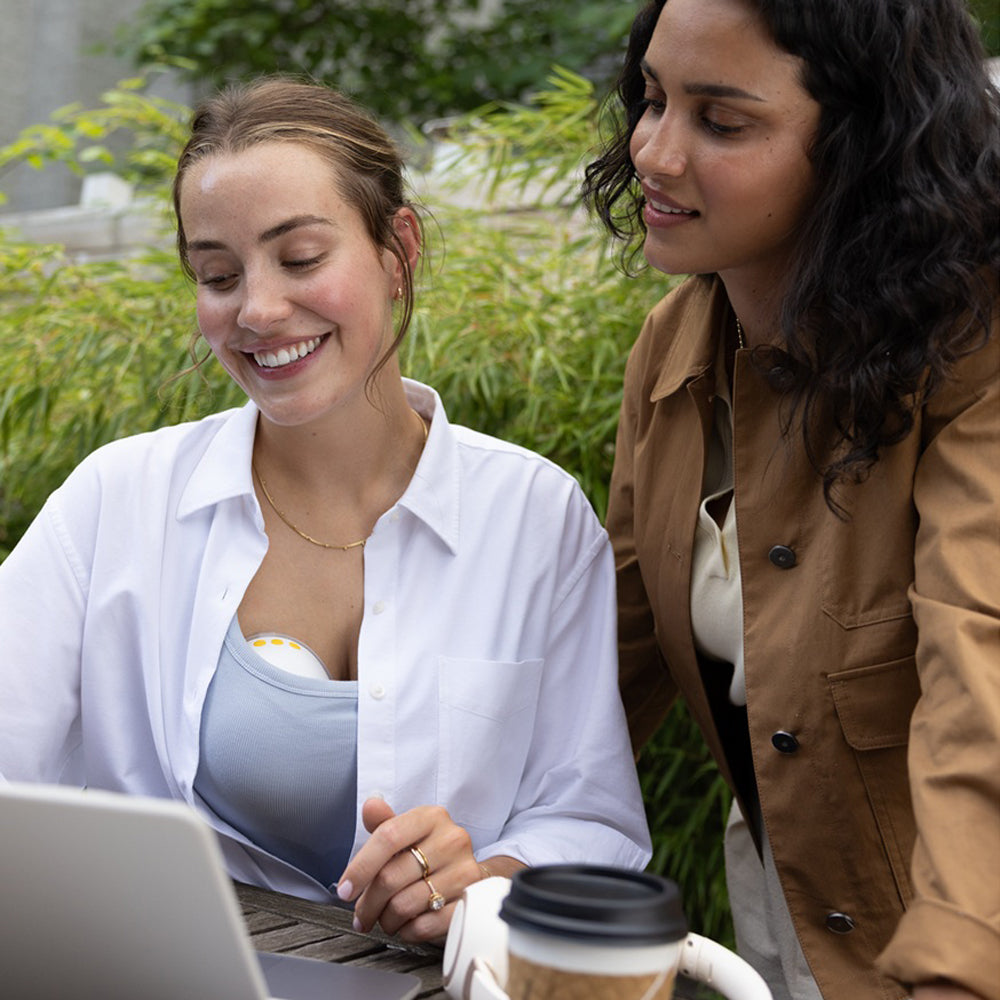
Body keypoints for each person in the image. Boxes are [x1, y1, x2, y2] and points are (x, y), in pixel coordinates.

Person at [0, 76, 651, 942]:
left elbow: (593, 821)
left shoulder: (535, 517)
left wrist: (483, 881)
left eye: (302, 258)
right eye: (218, 275)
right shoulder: (117, 501)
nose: (259, 310)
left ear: (398, 251)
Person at [582, 0, 999, 998]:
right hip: (791, 896)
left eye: (721, 121)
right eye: (651, 99)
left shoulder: (973, 351)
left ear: (864, 143)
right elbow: (608, 660)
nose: (653, 152)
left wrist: (958, 963)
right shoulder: (672, 348)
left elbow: (978, 666)